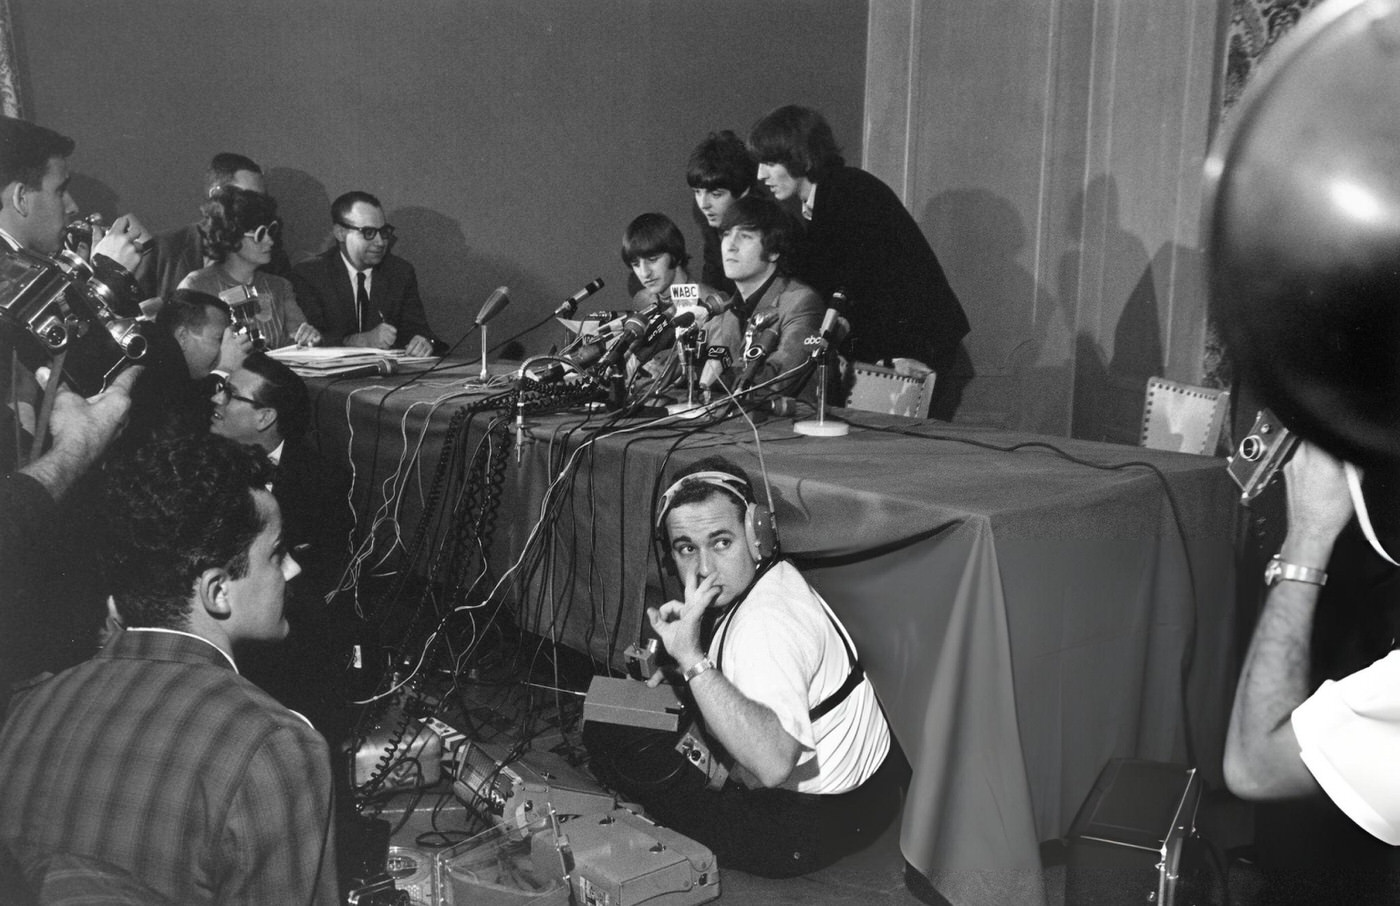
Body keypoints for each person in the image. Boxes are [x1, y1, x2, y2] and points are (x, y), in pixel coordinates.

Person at [0, 432, 339, 904]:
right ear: (217, 592)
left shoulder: (27, 708)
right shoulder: (275, 744)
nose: (292, 572)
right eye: (277, 554)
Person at [586, 457, 902, 877]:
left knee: (614, 736)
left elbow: (772, 766)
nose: (703, 568)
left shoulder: (764, 627)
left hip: (807, 830)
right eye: (686, 548)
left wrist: (693, 660)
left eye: (721, 543)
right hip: (870, 794)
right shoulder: (775, 575)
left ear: (758, 536)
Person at [747, 105, 969, 416]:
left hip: (913, 355)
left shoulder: (846, 193)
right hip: (900, 352)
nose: (761, 175)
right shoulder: (830, 196)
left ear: (803, 155)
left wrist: (895, 357)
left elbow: (877, 288)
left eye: (770, 162)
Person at [208, 352, 354, 744]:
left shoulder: (323, 481)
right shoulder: (200, 465)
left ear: (264, 417)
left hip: (284, 638)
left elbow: (325, 573)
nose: (216, 400)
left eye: (229, 394)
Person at [700, 196, 823, 401]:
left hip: (791, 426)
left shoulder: (801, 302)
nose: (730, 246)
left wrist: (707, 374)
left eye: (745, 236)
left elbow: (779, 381)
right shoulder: (728, 309)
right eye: (727, 234)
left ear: (774, 250)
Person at [290, 191, 441, 355]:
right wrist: (361, 340)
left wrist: (423, 342)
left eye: (384, 232)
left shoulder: (400, 272)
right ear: (340, 233)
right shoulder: (310, 274)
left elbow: (419, 330)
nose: (380, 242)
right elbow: (313, 337)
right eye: (368, 232)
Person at [179, 186, 320, 351]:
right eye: (260, 234)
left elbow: (298, 337)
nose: (270, 241)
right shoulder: (197, 286)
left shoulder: (279, 286)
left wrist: (310, 338)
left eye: (271, 231)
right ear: (230, 235)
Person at [137, 152, 290, 301]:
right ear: (216, 196)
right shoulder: (162, 250)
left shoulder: (273, 257)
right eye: (247, 197)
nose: (258, 206)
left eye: (262, 198)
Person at [686, 130, 759, 298]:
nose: (704, 205)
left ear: (743, 191)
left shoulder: (773, 225)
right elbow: (713, 286)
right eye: (697, 192)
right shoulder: (712, 228)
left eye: (716, 194)